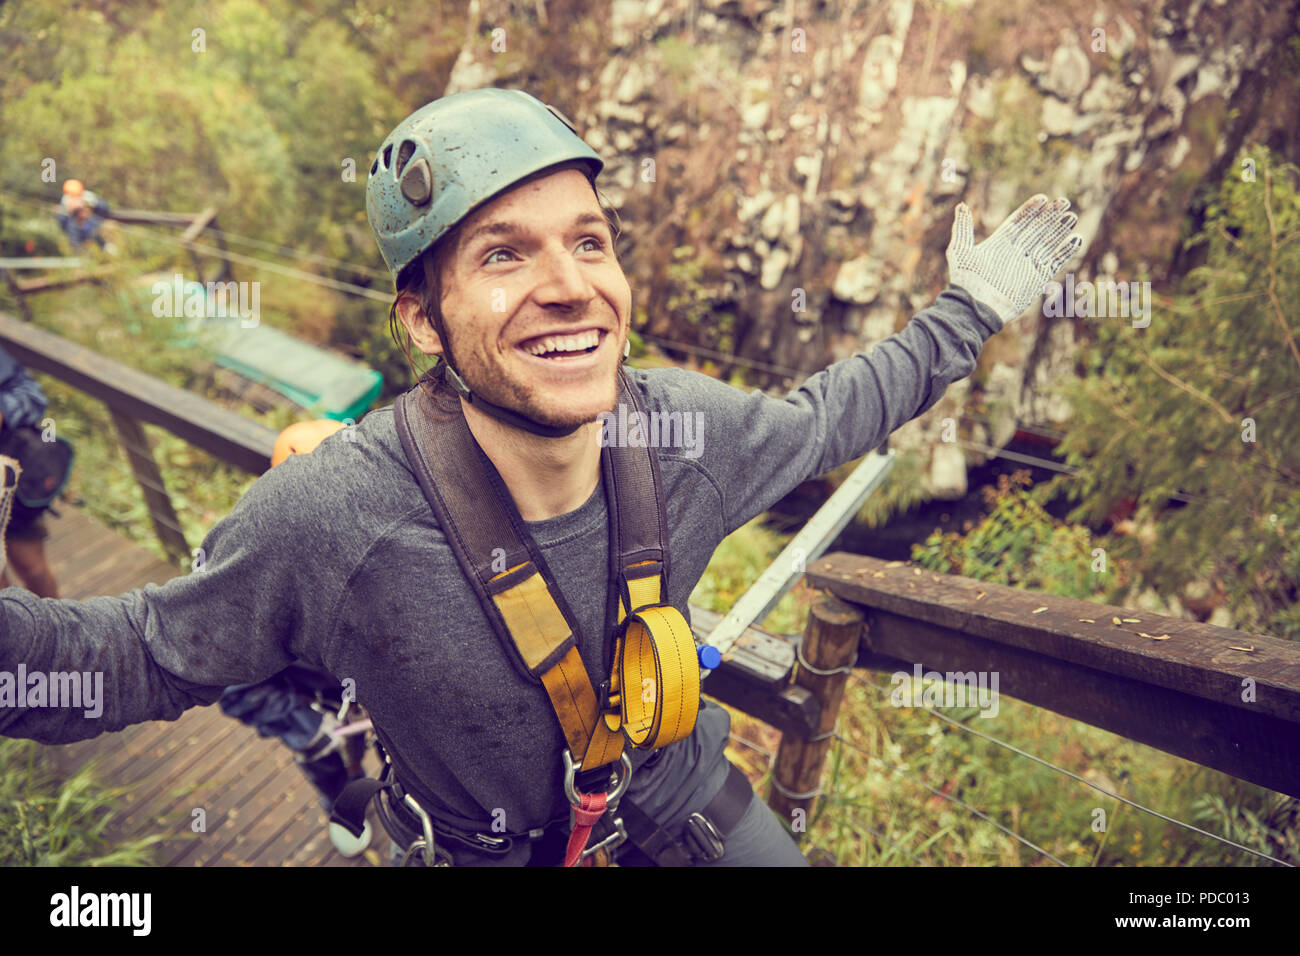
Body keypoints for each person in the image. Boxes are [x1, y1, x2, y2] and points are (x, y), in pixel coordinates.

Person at [0, 87, 1081, 866]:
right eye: (504, 254)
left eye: (591, 243)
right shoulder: (340, 518)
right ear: (421, 318)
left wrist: (967, 314)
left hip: (676, 788)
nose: (571, 288)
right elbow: (136, 652)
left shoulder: (686, 432)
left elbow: (831, 412)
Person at [0, 344, 60, 598]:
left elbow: (32, 395)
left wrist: (3, 411)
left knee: (34, 569)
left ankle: (60, 628)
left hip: (15, 483)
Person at [56, 179, 114, 253]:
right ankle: (80, 252)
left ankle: (105, 247)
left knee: (96, 232)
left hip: (92, 226)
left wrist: (93, 203)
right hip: (77, 233)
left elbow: (105, 209)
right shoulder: (65, 202)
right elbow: (62, 224)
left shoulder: (88, 197)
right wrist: (68, 211)